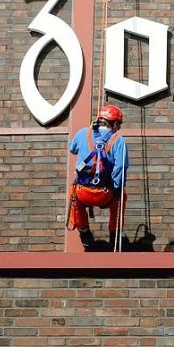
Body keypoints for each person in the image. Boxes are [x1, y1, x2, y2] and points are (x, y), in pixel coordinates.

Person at [67, 104, 129, 250]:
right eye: (118, 125)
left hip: (83, 191)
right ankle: (114, 236)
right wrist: (116, 187)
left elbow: (72, 148)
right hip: (106, 193)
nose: (118, 128)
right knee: (121, 198)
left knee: (74, 197)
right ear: (114, 123)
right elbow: (121, 167)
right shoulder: (118, 140)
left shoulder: (83, 133)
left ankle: (84, 234)